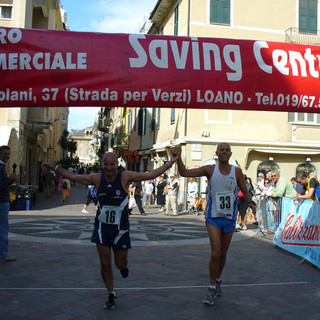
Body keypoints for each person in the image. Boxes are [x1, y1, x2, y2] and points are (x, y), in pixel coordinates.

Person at [41, 152, 177, 310]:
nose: (109, 167)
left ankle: (123, 268)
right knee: (105, 262)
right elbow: (74, 177)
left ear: (116, 165)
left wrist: (170, 163)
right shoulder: (97, 178)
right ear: (102, 164)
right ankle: (111, 293)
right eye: (106, 164)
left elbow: (150, 174)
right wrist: (55, 167)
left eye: (112, 164)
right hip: (102, 228)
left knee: (120, 264)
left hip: (121, 230)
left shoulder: (125, 176)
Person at [172, 143, 255, 306]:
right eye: (221, 150)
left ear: (230, 153)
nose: (224, 152)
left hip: (229, 217)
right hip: (213, 217)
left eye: (227, 150)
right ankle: (211, 288)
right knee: (216, 253)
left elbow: (244, 190)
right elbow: (184, 173)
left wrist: (250, 201)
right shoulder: (210, 169)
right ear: (216, 153)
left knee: (223, 254)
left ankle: (217, 280)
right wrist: (178, 158)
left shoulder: (237, 172)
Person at [0, 145, 17, 262]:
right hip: (1, 201)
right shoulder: (0, 167)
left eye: (8, 154)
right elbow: (1, 185)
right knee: (3, 227)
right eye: (5, 153)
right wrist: (11, 179)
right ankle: (3, 253)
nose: (7, 156)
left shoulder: (2, 167)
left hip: (3, 200)